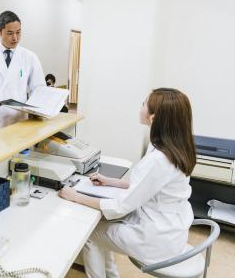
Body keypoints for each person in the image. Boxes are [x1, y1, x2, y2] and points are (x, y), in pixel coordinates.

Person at [59, 88, 196, 278]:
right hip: (171, 228)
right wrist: (111, 182)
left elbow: (119, 207)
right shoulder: (174, 147)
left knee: (90, 234)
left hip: (157, 239)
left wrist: (75, 196)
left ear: (153, 118)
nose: (140, 107)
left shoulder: (160, 159)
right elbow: (148, 186)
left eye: (143, 104)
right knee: (101, 229)